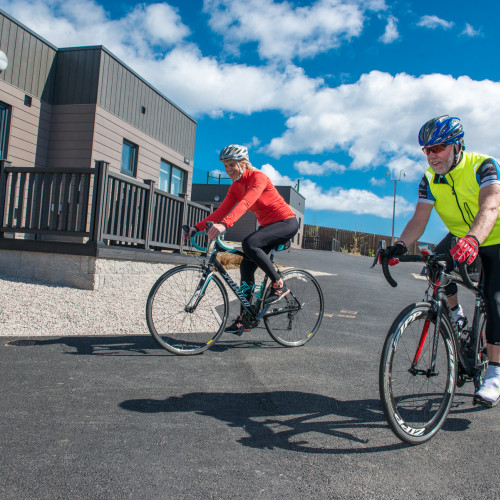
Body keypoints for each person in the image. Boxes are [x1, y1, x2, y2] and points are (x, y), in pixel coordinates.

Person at [382, 115, 500, 408]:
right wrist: (398, 245)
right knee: (434, 265)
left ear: (457, 146)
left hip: (495, 234)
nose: (431, 155)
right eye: (426, 149)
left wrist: (473, 239)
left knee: (493, 297)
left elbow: (490, 205)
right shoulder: (429, 178)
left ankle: (495, 373)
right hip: (461, 234)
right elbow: (419, 220)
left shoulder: (484, 166)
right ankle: (456, 313)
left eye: (438, 148)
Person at [185, 144, 299, 336]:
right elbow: (222, 210)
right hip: (267, 226)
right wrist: (196, 227)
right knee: (246, 265)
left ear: (243, 163)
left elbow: (247, 203)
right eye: (225, 166)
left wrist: (225, 225)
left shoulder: (259, 178)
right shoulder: (236, 186)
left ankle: (279, 284)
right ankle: (245, 318)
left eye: (232, 165)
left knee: (249, 243)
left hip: (285, 222)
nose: (228, 169)